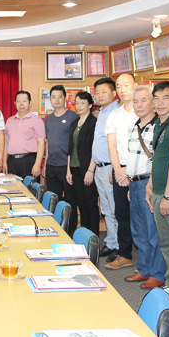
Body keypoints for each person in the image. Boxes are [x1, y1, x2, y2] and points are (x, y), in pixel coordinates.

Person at [145, 81, 169, 305]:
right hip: (158, 190)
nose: (160, 102)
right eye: (157, 98)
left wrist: (168, 196)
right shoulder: (160, 123)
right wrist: (150, 185)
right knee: (165, 242)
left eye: (166, 97)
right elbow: (158, 159)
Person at [123, 86, 165, 289]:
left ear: (153, 102)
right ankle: (144, 269)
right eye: (136, 101)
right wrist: (130, 184)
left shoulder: (159, 126)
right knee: (138, 229)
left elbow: (160, 160)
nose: (139, 105)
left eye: (143, 100)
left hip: (150, 184)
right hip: (134, 183)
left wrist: (150, 185)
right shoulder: (134, 126)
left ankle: (157, 273)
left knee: (153, 230)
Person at [104, 73, 138, 270]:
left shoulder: (144, 111)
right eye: (119, 86)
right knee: (122, 214)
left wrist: (128, 171)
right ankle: (125, 255)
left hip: (140, 171)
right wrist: (118, 171)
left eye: (126, 85)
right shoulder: (114, 115)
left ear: (135, 85)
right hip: (119, 170)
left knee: (141, 216)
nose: (122, 89)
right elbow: (112, 146)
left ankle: (147, 261)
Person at [91, 77, 120, 262]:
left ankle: (118, 245)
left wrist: (115, 169)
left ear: (114, 93)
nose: (100, 95)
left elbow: (118, 144)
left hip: (111, 167)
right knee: (107, 208)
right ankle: (111, 241)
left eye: (104, 91)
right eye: (97, 92)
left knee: (115, 208)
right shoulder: (102, 112)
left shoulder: (116, 113)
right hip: (100, 167)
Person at [44, 85, 78, 233]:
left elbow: (74, 144)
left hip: (66, 166)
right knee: (54, 200)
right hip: (51, 165)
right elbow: (47, 142)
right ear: (50, 99)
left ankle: (70, 231)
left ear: (65, 98)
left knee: (70, 200)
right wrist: (45, 164)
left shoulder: (73, 117)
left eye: (59, 96)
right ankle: (56, 230)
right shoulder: (49, 118)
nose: (56, 100)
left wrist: (70, 168)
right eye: (53, 97)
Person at [66, 91, 99, 236]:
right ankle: (85, 236)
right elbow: (70, 148)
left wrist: (90, 170)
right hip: (74, 168)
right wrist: (68, 170)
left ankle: (93, 237)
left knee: (91, 204)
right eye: (77, 103)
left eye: (83, 103)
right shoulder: (75, 123)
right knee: (81, 204)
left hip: (87, 168)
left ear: (90, 105)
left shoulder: (93, 123)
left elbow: (95, 149)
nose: (79, 106)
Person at [3, 91, 45, 180]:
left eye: (24, 101)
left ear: (30, 103)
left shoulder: (37, 120)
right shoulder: (9, 121)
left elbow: (41, 143)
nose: (21, 104)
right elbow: (6, 142)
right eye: (18, 101)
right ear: (15, 103)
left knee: (29, 188)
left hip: (28, 161)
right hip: (12, 161)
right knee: (12, 187)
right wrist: (4, 162)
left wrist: (37, 164)